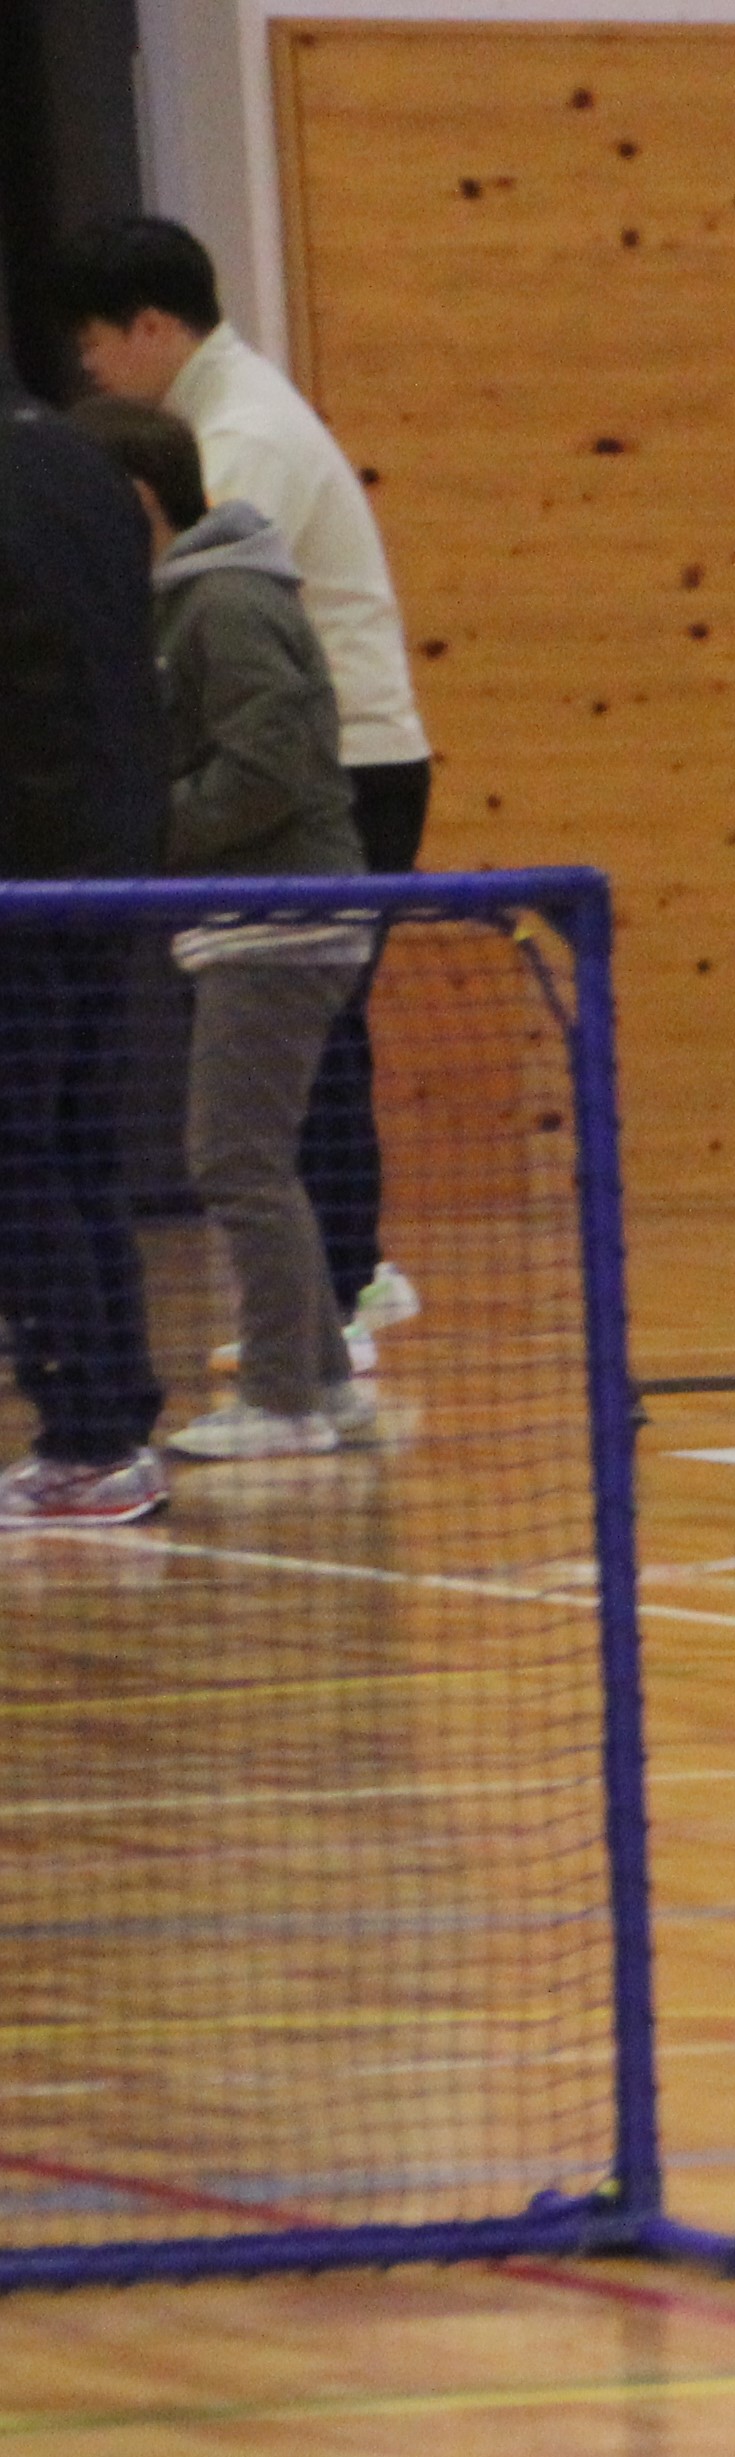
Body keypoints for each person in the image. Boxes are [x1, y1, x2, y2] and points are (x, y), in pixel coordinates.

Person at [52, 217, 430, 1369]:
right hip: (312, 756)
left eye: (100, 349)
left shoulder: (243, 438)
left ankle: (348, 1289)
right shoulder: (213, 416)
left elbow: (229, 630)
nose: (95, 374)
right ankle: (327, 1297)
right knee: (299, 1037)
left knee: (307, 1033)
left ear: (155, 326)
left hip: (341, 765)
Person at [71, 398, 379, 1461]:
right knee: (259, 1158)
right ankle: (326, 1389)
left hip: (281, 918)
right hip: (246, 917)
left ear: (137, 501)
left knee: (235, 1160)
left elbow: (269, 765)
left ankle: (283, 1398)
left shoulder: (228, 604)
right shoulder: (180, 607)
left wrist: (146, 835)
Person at [0, 390, 174, 1526]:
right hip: (108, 864)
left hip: (20, 867)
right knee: (74, 1144)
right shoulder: (77, 463)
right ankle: (114, 1415)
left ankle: (86, 1436)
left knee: (22, 1156)